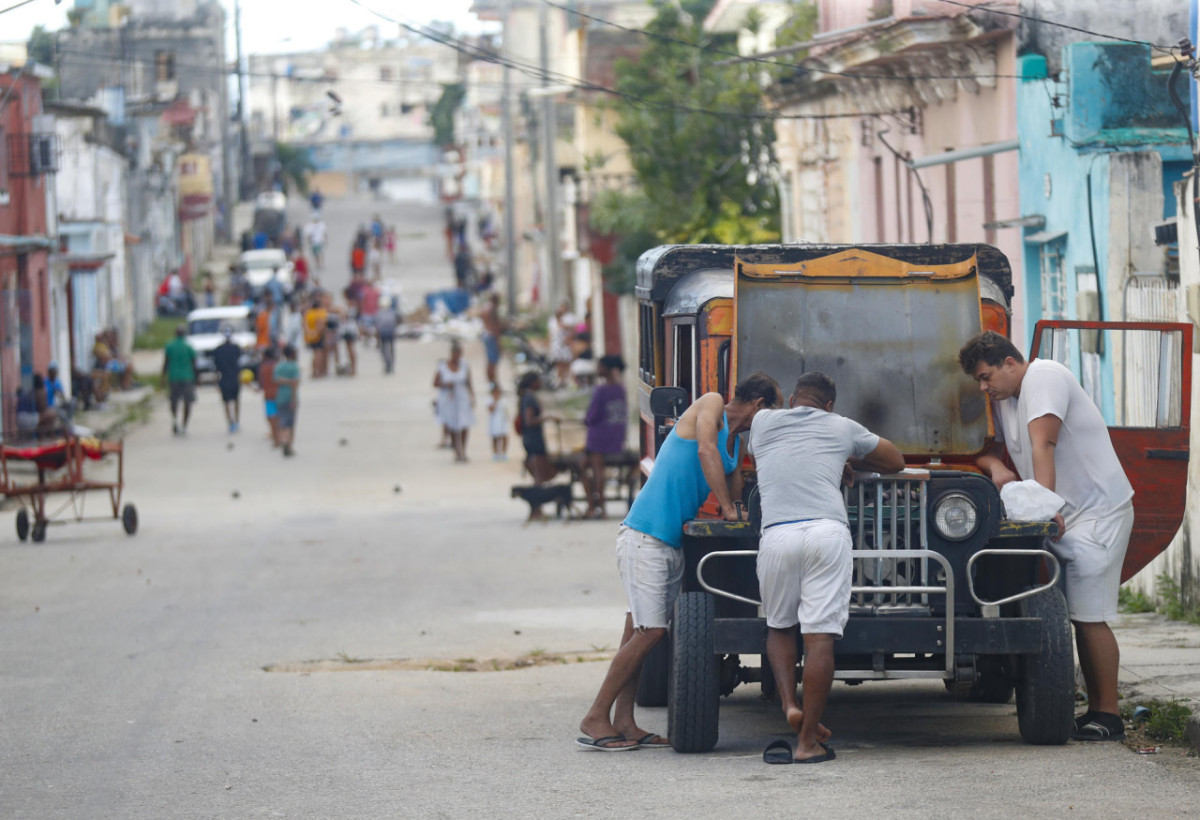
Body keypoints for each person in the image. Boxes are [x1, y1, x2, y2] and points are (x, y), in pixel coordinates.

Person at [577, 373, 781, 751]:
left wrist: (735, 504)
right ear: (757, 404)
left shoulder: (737, 442)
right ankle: (595, 716)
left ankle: (624, 720)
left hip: (668, 542)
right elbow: (705, 450)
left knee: (638, 630)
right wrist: (724, 505)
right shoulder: (710, 404)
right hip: (645, 535)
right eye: (771, 411)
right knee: (651, 633)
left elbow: (734, 497)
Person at [958, 331, 1135, 742]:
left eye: (986, 377)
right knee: (1076, 617)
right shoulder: (1008, 399)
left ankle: (1108, 715)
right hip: (1063, 516)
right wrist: (996, 468)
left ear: (1009, 362)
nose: (984, 388)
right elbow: (983, 449)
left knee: (1091, 618)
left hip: (1097, 515)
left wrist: (1044, 503)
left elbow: (1044, 443)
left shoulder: (1044, 375)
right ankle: (1094, 710)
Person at [752, 372, 904, 764]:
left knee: (779, 626)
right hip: (826, 531)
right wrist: (844, 456)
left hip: (778, 533)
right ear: (830, 404)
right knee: (819, 638)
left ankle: (789, 703)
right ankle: (807, 743)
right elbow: (895, 461)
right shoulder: (841, 426)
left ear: (791, 400)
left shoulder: (763, 422)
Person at [581, 355, 627, 520]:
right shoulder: (620, 389)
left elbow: (591, 416)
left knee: (595, 470)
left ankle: (598, 506)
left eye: (600, 367)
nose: (597, 370)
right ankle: (595, 506)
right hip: (616, 437)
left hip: (599, 438)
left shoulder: (601, 390)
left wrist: (585, 419)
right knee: (591, 468)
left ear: (607, 369)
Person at [434, 341, 475, 463]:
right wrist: (446, 384)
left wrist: (472, 397)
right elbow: (435, 383)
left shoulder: (465, 365)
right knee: (452, 424)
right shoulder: (442, 366)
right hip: (448, 399)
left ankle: (463, 450)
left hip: (462, 398)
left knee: (464, 423)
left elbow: (469, 382)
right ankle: (457, 451)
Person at [517, 372, 557, 488]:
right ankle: (537, 502)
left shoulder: (527, 397)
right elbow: (529, 421)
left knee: (538, 475)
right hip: (533, 439)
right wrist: (547, 418)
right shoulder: (529, 398)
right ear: (533, 383)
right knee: (539, 475)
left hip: (531, 439)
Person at [162, 324, 197, 436]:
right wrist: (196, 378)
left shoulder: (170, 346)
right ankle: (184, 425)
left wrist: (163, 377)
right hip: (187, 377)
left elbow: (166, 363)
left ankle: (175, 419)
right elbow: (194, 364)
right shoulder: (189, 347)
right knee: (188, 402)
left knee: (174, 401)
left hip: (174, 377)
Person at [212, 324, 243, 434]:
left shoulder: (218, 350)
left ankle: (231, 422)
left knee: (226, 402)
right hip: (234, 377)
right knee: (236, 401)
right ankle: (237, 421)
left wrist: (216, 381)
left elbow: (216, 367)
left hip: (224, 379)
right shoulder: (236, 348)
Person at [274, 344, 300, 457]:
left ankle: (283, 440)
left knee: (282, 422)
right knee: (290, 423)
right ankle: (289, 444)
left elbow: (275, 380)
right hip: (290, 397)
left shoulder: (279, 366)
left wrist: (284, 381)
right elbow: (295, 384)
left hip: (280, 397)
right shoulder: (294, 367)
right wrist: (294, 399)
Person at [257, 345, 281, 447]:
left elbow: (261, 385)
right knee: (278, 418)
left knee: (271, 418)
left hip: (268, 396)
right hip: (279, 395)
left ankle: (276, 439)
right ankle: (279, 438)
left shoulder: (263, 368)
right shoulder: (278, 366)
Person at [479, 293, 505, 385]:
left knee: (490, 360)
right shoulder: (492, 309)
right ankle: (493, 381)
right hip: (492, 335)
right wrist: (499, 342)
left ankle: (490, 381)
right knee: (493, 361)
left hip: (486, 333)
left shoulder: (485, 307)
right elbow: (495, 326)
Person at [303, 294, 328, 378]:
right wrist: (317, 332)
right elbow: (321, 325)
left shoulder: (308, 313)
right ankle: (318, 371)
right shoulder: (321, 313)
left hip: (310, 336)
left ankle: (314, 371)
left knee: (314, 354)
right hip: (318, 336)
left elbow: (305, 325)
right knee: (318, 354)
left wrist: (310, 333)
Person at [549, 302, 573, 389]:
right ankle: (560, 379)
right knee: (559, 363)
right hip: (557, 345)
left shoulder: (567, 320)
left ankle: (566, 379)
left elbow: (570, 331)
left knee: (566, 362)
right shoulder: (553, 322)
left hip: (564, 345)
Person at [375, 296, 399, 374]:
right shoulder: (392, 312)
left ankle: (387, 363)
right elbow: (395, 323)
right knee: (391, 349)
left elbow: (377, 326)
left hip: (383, 333)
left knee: (384, 349)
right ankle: (391, 364)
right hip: (390, 332)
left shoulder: (379, 313)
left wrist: (377, 337)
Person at [487, 382, 509, 462]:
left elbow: (506, 410)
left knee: (505, 437)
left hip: (503, 421)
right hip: (494, 421)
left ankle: (504, 453)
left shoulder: (503, 400)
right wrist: (495, 401)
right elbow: (490, 409)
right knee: (495, 438)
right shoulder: (490, 400)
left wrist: (507, 419)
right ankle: (496, 453)